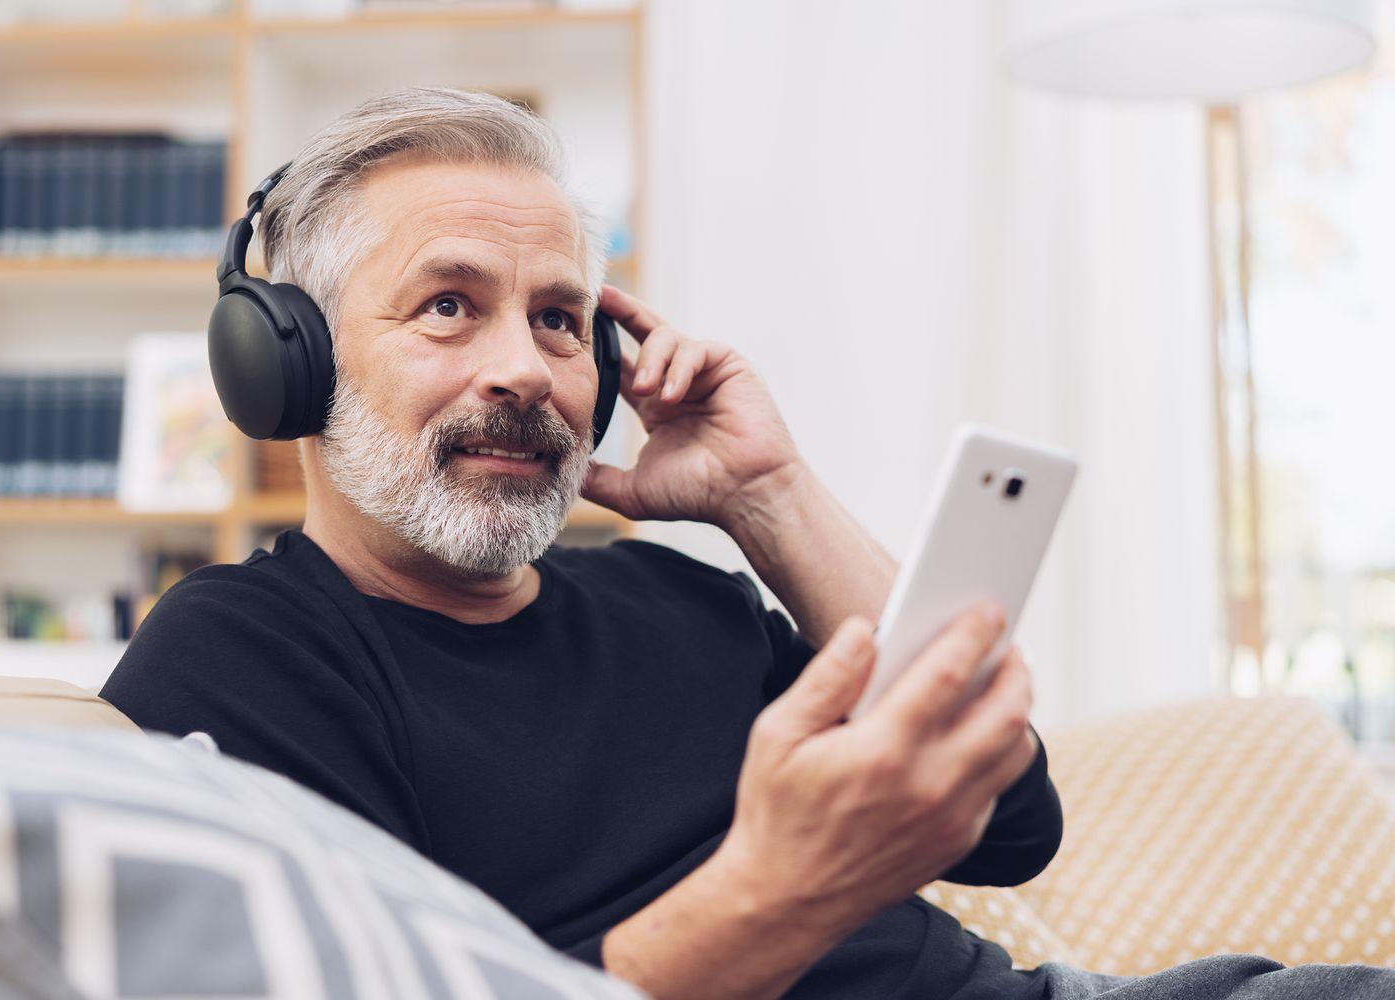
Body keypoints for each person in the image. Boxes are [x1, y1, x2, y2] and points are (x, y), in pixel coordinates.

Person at [101, 87, 1395, 999]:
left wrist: (767, 495)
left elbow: (1010, 818)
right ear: (288, 364)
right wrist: (782, 892)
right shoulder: (236, 658)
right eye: (449, 306)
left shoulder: (678, 597)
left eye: (561, 321)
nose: (526, 370)